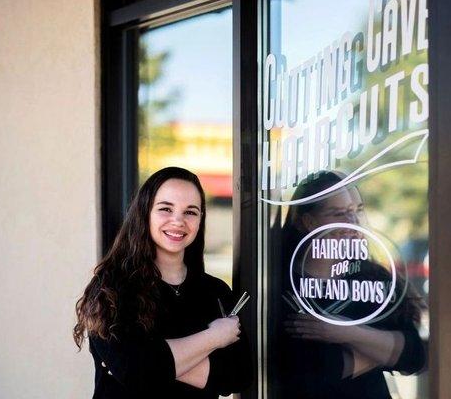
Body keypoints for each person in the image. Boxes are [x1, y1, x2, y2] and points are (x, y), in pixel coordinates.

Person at [73, 167, 252, 399]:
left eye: (191, 212)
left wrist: (154, 360)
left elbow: (239, 376)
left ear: (200, 221)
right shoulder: (111, 288)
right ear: (144, 213)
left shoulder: (214, 291)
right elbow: (138, 373)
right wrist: (214, 338)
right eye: (166, 208)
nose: (178, 221)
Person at [276, 171, 426, 399]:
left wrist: (347, 333)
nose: (354, 222)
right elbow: (309, 376)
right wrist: (383, 349)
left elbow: (415, 355)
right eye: (339, 214)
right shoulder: (283, 285)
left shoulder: (373, 279)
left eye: (357, 211)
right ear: (306, 222)